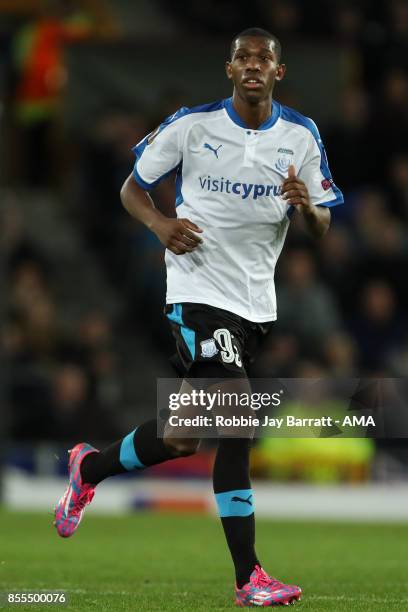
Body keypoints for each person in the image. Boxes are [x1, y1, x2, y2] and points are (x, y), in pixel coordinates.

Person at [54, 27, 343, 607]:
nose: (254, 66)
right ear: (230, 70)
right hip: (195, 290)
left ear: (279, 73)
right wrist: (162, 226)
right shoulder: (192, 126)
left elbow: (322, 227)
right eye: (244, 58)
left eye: (265, 58)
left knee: (181, 438)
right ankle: (249, 577)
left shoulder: (302, 137)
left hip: (255, 305)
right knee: (238, 417)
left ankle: (89, 469)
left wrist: (306, 206)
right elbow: (132, 189)